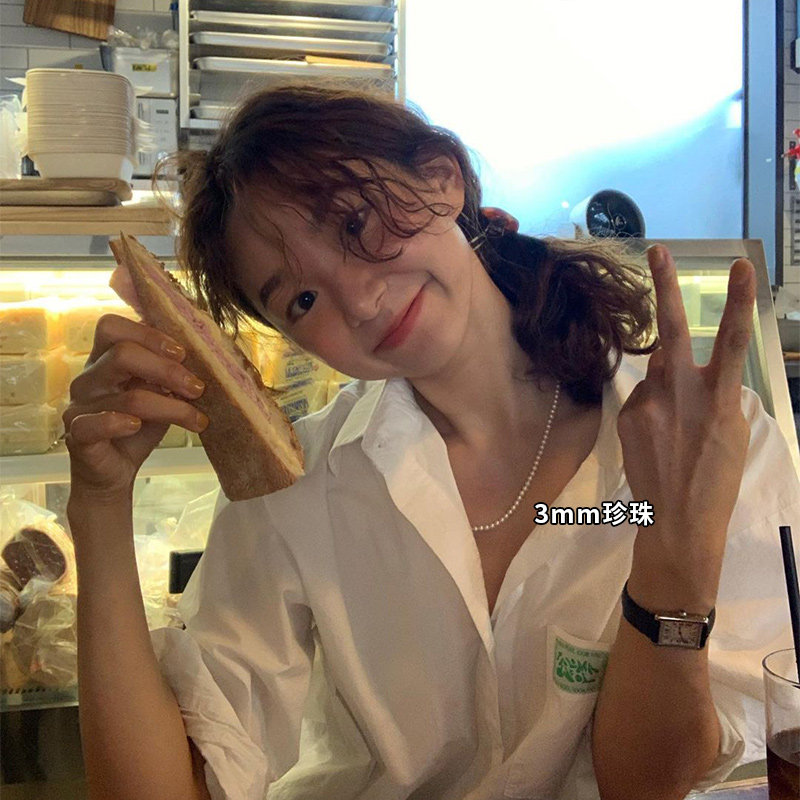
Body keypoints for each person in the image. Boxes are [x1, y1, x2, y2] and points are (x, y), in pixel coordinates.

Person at [63, 85, 800, 800]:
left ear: (442, 180)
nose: (359, 299)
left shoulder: (702, 442)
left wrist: (673, 544)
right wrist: (99, 504)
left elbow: (648, 784)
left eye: (356, 225)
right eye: (303, 300)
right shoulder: (303, 485)